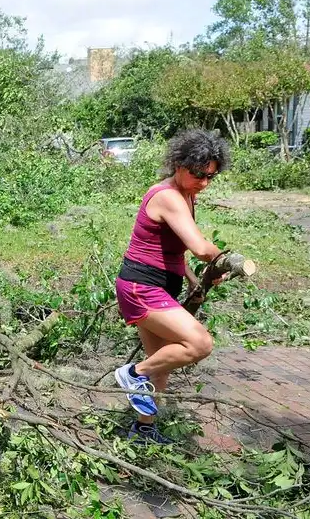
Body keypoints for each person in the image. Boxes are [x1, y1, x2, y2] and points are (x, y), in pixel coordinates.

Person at [113, 129, 230, 444]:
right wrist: (225, 260)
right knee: (200, 344)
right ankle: (131, 374)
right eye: (198, 175)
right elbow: (199, 247)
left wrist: (193, 278)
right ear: (179, 163)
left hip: (159, 286)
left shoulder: (186, 194)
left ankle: (143, 430)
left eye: (210, 177)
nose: (204, 183)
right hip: (141, 287)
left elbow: (171, 248)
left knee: (161, 365)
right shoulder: (167, 196)